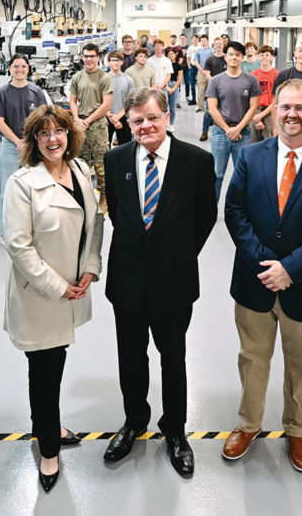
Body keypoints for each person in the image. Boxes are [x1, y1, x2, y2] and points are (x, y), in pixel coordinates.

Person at [221, 79, 302, 474]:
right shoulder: (250, 156)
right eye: (285, 107)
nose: (292, 114)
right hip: (255, 280)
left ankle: (297, 430)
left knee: (300, 362)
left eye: (300, 107)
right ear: (273, 109)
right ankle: (249, 424)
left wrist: (291, 269)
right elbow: (235, 213)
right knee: (252, 358)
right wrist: (266, 265)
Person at [102, 88, 216, 476]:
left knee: (174, 358)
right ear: (128, 123)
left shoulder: (197, 160)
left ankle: (175, 430)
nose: (145, 127)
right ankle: (134, 421)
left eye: (152, 118)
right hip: (128, 278)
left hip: (174, 280)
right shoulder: (115, 159)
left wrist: (176, 254)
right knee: (130, 358)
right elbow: (119, 213)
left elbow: (205, 218)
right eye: (136, 121)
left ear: (166, 116)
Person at [2, 104, 104, 493]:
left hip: (74, 288)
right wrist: (59, 286)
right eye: (43, 133)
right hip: (41, 295)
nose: (52, 139)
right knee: (44, 373)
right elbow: (18, 245)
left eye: (58, 130)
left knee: (55, 364)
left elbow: (94, 224)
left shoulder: (80, 171)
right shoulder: (23, 183)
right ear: (32, 141)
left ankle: (50, 423)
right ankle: (48, 449)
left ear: (69, 134)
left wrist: (91, 268)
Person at [0, 54, 49, 240]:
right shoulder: (2, 92)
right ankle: (5, 232)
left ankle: (31, 231)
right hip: (10, 146)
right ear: (9, 68)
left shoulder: (36, 92)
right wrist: (18, 142)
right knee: (7, 190)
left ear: (28, 69)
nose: (19, 70)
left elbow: (43, 120)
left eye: (23, 66)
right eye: (16, 66)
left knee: (34, 189)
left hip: (33, 144)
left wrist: (30, 142)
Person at [206, 41, 261, 200]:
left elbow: (253, 107)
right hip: (220, 133)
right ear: (225, 56)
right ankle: (211, 208)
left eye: (238, 54)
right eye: (230, 54)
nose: (234, 57)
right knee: (217, 174)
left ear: (243, 57)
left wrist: (238, 129)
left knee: (243, 174)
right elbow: (212, 108)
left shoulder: (251, 80)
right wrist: (228, 129)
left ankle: (241, 209)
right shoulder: (216, 80)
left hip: (243, 133)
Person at [68, 43, 113, 210]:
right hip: (80, 124)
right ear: (82, 57)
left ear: (98, 58)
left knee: (101, 163)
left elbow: (106, 105)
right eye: (86, 56)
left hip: (98, 124)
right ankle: (83, 195)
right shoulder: (77, 77)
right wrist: (77, 118)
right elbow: (72, 101)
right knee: (79, 162)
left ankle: (104, 196)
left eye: (92, 56)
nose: (89, 59)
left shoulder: (104, 77)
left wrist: (88, 120)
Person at [198, 37, 226, 141]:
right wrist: (216, 83)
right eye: (216, 44)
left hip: (225, 89)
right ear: (214, 45)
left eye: (220, 44)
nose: (218, 45)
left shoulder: (227, 58)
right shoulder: (210, 59)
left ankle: (223, 131)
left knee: (223, 111)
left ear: (223, 45)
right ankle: (204, 132)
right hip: (212, 90)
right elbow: (207, 74)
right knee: (208, 112)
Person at [250, 45, 278, 144]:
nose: (264, 57)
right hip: (254, 111)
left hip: (270, 111)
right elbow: (250, 99)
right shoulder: (253, 75)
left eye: (267, 55)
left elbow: (277, 100)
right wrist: (257, 118)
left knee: (271, 141)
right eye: (262, 55)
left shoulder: (277, 75)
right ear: (258, 57)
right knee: (253, 142)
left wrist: (261, 115)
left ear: (271, 57)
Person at [106, 50, 134, 146]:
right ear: (109, 62)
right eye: (113, 60)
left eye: (118, 60)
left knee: (125, 148)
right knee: (104, 149)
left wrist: (117, 117)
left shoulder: (128, 80)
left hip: (123, 117)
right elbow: (99, 101)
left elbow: (129, 102)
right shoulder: (103, 79)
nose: (116, 63)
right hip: (106, 117)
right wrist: (111, 117)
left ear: (122, 62)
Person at [193, 35, 213, 113]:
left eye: (204, 40)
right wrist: (202, 70)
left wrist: (209, 71)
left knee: (210, 91)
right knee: (201, 90)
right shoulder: (198, 51)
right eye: (201, 40)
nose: (203, 42)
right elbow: (196, 62)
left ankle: (210, 108)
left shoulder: (212, 50)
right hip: (201, 72)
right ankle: (201, 107)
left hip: (210, 72)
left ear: (207, 41)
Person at [163, 47, 183, 121]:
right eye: (169, 54)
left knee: (172, 108)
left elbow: (180, 78)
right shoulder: (164, 65)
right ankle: (164, 123)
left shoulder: (179, 66)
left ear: (175, 55)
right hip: (165, 85)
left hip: (174, 85)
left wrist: (174, 88)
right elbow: (163, 77)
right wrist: (167, 87)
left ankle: (171, 124)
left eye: (172, 54)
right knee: (164, 107)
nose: (170, 55)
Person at [182, 34, 198, 104]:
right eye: (193, 39)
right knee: (192, 84)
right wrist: (189, 66)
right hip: (192, 67)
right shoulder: (190, 48)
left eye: (196, 39)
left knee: (201, 84)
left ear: (198, 40)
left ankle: (202, 98)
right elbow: (188, 58)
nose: (195, 40)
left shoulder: (200, 47)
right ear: (191, 40)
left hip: (199, 67)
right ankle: (193, 99)